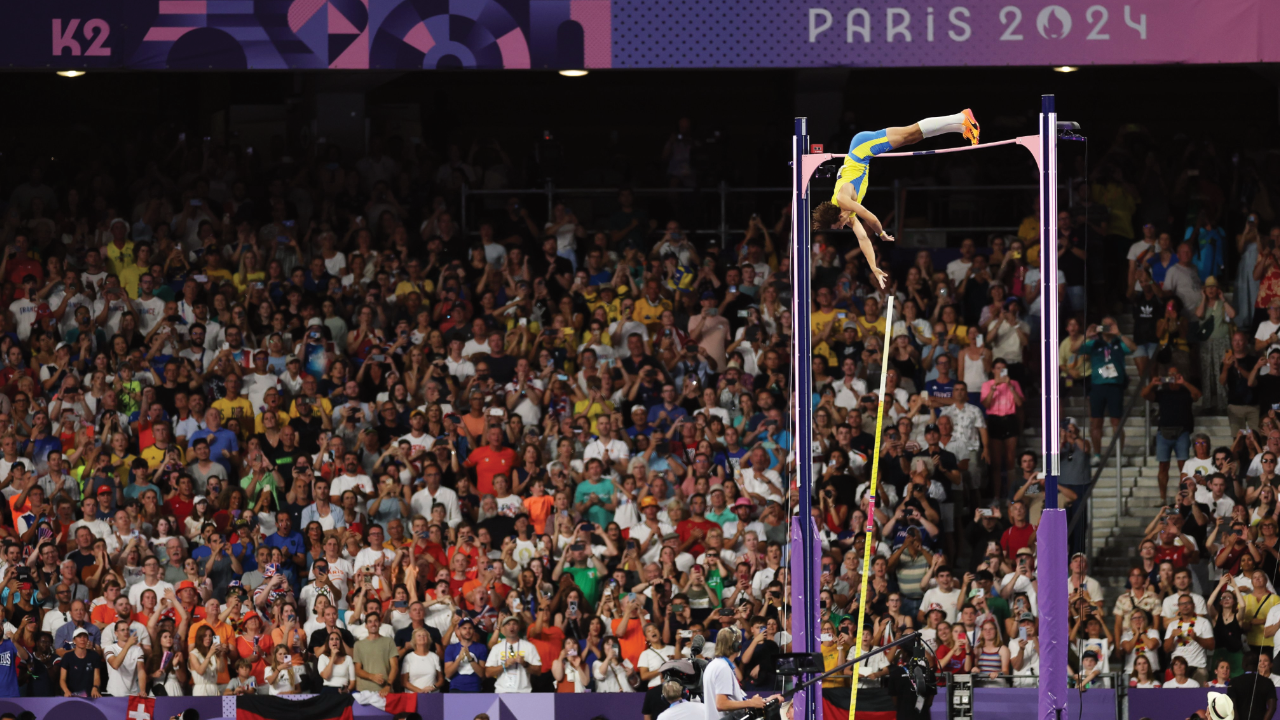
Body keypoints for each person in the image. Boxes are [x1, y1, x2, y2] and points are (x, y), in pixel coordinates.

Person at [811, 110, 980, 288]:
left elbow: (871, 217)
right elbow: (863, 240)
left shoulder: (843, 199)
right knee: (913, 138)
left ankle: (962, 117)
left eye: (836, 226)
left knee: (911, 132)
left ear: (837, 216)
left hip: (863, 147)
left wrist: (881, 234)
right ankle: (960, 127)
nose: (840, 228)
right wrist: (874, 267)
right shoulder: (847, 215)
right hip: (863, 152)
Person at [702, 627, 781, 720]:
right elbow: (721, 704)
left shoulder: (715, 664)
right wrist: (751, 703)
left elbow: (731, 701)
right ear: (737, 646)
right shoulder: (722, 668)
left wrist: (765, 700)